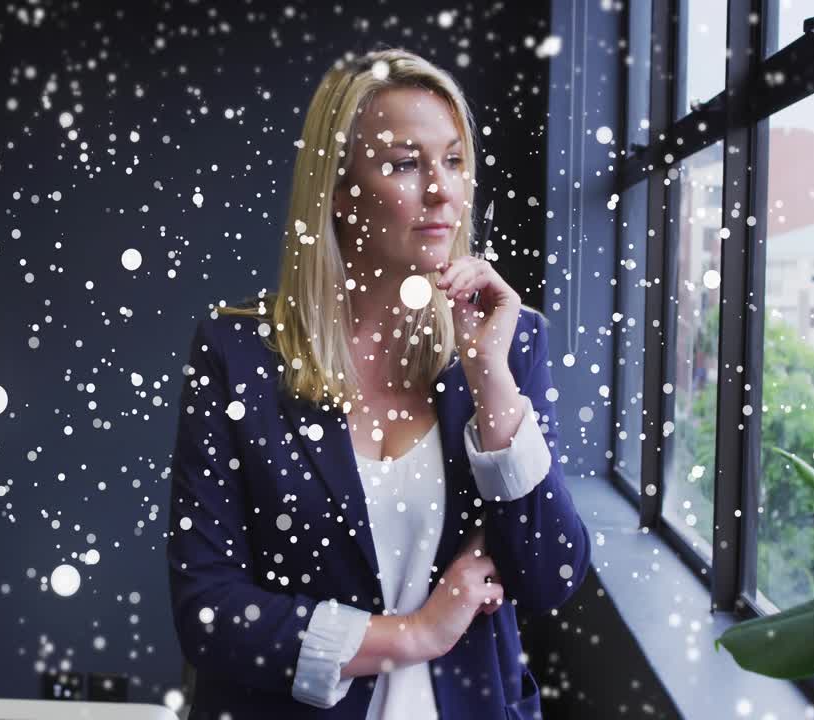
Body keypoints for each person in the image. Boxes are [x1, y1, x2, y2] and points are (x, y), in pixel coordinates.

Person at [166, 45, 590, 720]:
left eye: (453, 161)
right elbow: (209, 610)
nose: (442, 190)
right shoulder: (237, 353)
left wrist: (490, 378)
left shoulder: (514, 341)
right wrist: (415, 634)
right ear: (336, 190)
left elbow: (550, 577)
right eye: (404, 164)